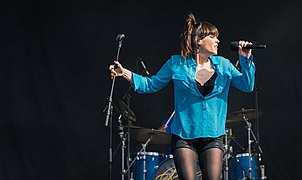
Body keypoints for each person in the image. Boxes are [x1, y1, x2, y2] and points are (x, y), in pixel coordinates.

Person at [109, 12, 255, 180]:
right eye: (213, 37)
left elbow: (247, 85)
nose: (218, 41)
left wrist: (246, 59)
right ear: (198, 40)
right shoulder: (177, 64)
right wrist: (124, 72)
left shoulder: (224, 65)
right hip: (184, 137)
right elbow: (151, 84)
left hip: (213, 136)